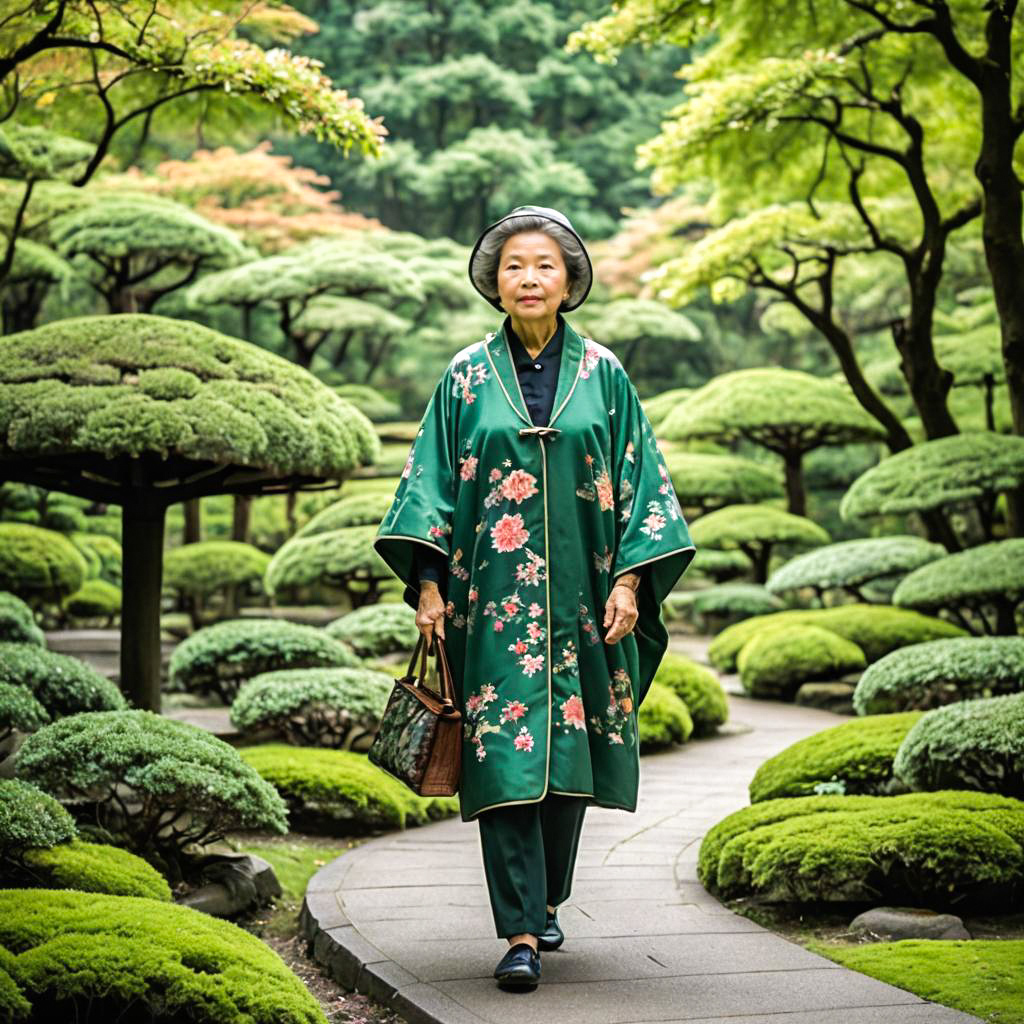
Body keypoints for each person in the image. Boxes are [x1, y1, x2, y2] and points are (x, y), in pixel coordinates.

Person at [373, 205, 696, 991]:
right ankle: (518, 929)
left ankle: (547, 895)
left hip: (586, 602)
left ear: (568, 282)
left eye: (544, 265)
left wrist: (629, 580)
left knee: (570, 759)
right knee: (505, 759)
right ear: (495, 281)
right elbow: (430, 484)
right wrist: (426, 583)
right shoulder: (464, 377)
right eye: (514, 265)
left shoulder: (605, 375)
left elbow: (641, 482)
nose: (528, 277)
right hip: (490, 606)